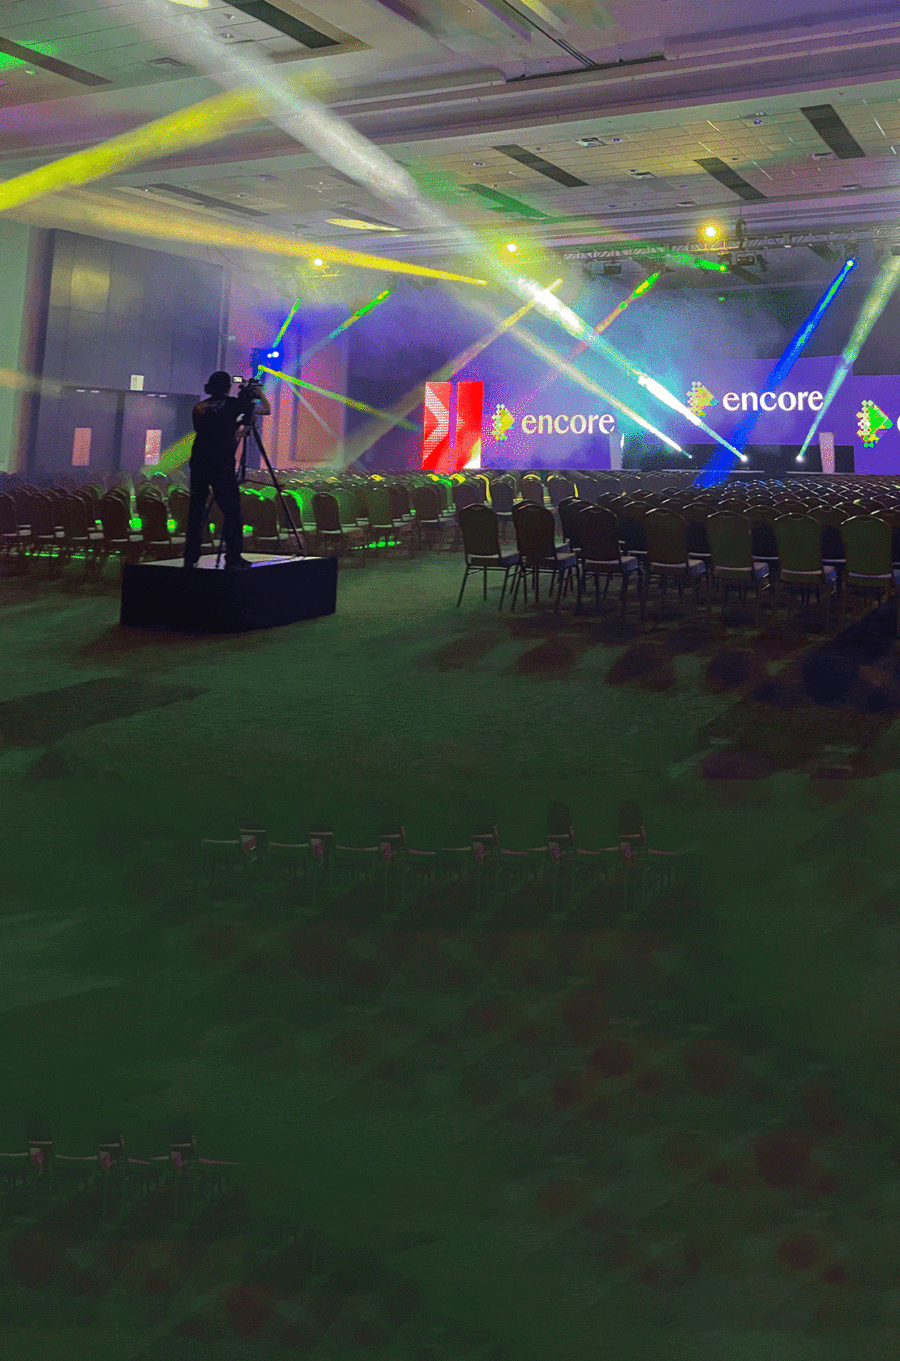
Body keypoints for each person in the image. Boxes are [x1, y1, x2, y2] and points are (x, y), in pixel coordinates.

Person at [183, 370, 271, 569]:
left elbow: (206, 428)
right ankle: (233, 557)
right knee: (232, 511)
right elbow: (264, 411)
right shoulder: (233, 404)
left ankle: (190, 557)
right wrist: (259, 394)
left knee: (196, 511)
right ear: (227, 387)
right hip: (221, 463)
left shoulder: (199, 407)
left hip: (199, 461)